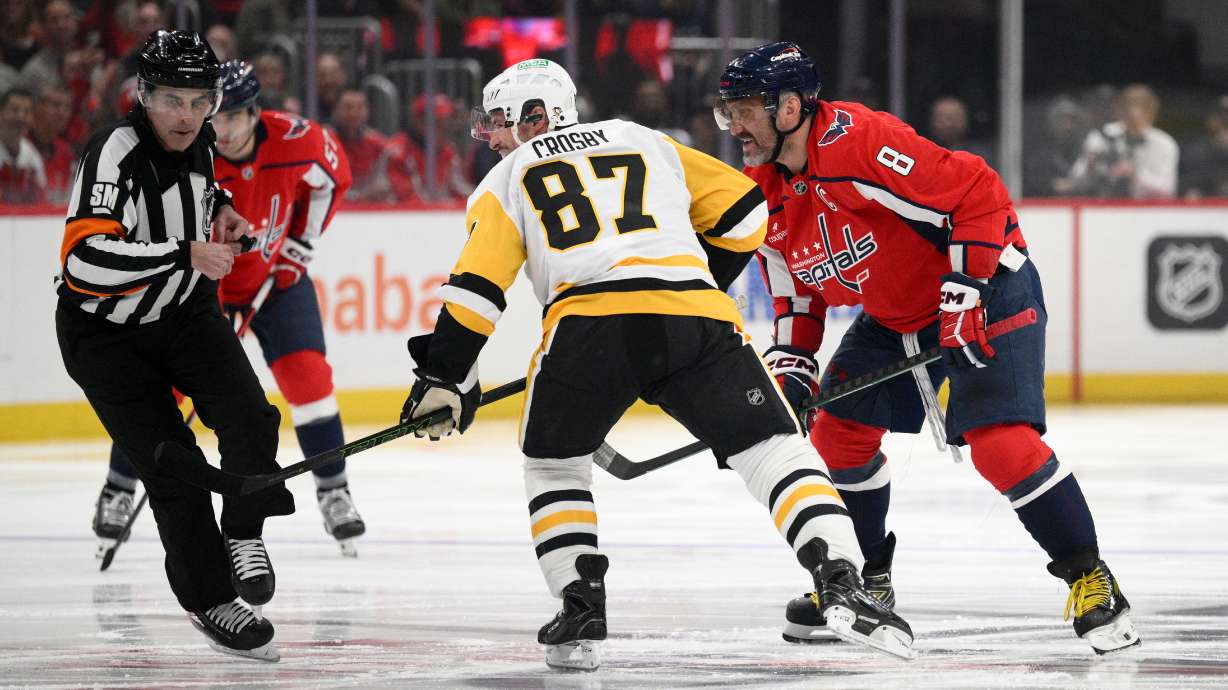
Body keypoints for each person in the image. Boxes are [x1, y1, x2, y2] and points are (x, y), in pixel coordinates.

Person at [399, 57, 915, 671]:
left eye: (502, 123)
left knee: (554, 465)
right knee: (775, 448)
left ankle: (581, 604)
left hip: (586, 328)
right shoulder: (641, 138)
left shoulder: (507, 179)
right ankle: (840, 577)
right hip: (693, 318)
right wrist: (688, 281)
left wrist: (444, 378)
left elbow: (475, 291)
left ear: (537, 117)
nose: (494, 137)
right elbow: (747, 213)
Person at [714, 42, 1140, 655]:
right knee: (835, 435)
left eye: (746, 108)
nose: (735, 125)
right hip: (895, 315)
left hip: (988, 281)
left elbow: (978, 192)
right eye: (729, 109)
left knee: (1000, 444)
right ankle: (866, 586)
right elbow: (795, 301)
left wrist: (965, 292)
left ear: (789, 108)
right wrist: (793, 376)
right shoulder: (762, 194)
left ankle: (1092, 580)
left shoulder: (857, 142)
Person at [56, 30, 293, 661]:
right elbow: (82, 261)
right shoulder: (113, 153)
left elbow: (199, 192)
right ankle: (211, 597)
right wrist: (185, 251)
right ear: (143, 96)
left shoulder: (201, 140)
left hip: (183, 312)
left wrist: (224, 213)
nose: (187, 116)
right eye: (173, 101)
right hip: (104, 337)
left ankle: (243, 531)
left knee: (250, 416)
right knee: (172, 466)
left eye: (200, 100)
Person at [98, 59, 365, 557]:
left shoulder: (298, 139)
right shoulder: (186, 152)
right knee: (168, 392)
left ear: (255, 113)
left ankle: (334, 490)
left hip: (277, 282)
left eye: (233, 115)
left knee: (309, 380)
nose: (221, 126)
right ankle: (118, 485)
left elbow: (335, 177)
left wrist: (300, 245)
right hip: (201, 287)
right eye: (215, 114)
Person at [1059, 83, 1178, 198]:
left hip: (1148, 212)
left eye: (1141, 108)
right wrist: (1090, 167)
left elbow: (1167, 190)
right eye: (1128, 107)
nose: (1134, 114)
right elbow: (1075, 181)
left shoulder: (1165, 144)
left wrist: (1134, 175)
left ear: (1152, 111)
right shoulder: (1101, 137)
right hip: (1105, 207)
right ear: (1119, 110)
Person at [0, 85, 44, 203]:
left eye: (27, 112)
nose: (21, 117)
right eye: (14, 109)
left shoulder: (32, 155)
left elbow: (41, 200)